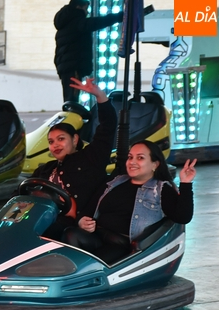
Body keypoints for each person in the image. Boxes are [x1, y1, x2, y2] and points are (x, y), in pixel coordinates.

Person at [64, 140, 195, 264]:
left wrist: (186, 183)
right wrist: (82, 221)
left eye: (140, 158)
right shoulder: (114, 182)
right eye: (130, 157)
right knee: (70, 235)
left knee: (90, 265)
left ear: (155, 164)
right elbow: (89, 209)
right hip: (96, 235)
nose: (132, 162)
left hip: (123, 245)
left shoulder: (160, 189)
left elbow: (183, 217)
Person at [31, 76, 116, 239]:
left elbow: (108, 127)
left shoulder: (91, 158)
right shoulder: (45, 169)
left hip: (71, 224)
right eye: (51, 142)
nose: (55, 145)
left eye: (61, 139)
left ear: (75, 139)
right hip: (41, 219)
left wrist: (100, 96)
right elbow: (21, 194)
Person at [54, 0, 122, 103]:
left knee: (69, 97)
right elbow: (99, 22)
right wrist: (120, 16)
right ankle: (71, 118)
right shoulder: (77, 22)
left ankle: (70, 116)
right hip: (74, 65)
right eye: (85, 9)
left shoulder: (65, 24)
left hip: (66, 66)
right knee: (72, 100)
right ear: (78, 7)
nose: (87, 13)